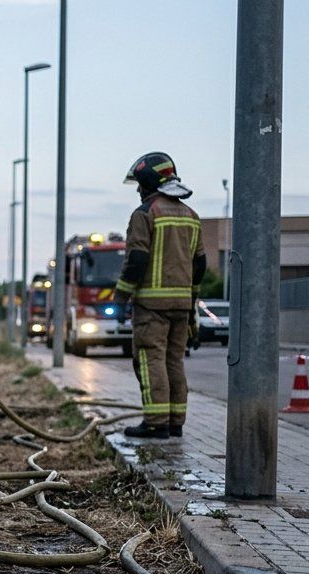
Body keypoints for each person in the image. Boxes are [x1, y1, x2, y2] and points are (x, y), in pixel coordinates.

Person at [113, 152, 206, 439]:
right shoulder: (191, 217)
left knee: (151, 359)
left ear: (151, 182)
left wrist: (120, 297)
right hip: (181, 305)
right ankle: (175, 421)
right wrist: (191, 302)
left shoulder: (145, 214)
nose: (139, 190)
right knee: (174, 360)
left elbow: (137, 260)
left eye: (141, 184)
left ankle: (155, 423)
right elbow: (200, 264)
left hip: (151, 306)